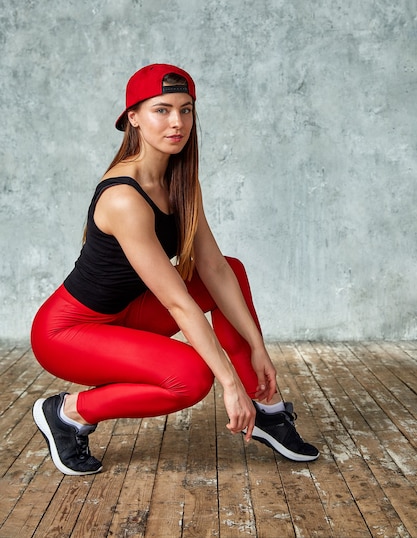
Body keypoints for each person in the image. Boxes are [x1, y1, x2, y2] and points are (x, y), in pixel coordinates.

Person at [31, 63, 319, 476]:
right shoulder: (123, 198)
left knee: (232, 271)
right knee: (191, 377)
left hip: (127, 314)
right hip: (68, 333)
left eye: (185, 110)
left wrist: (257, 349)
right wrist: (229, 383)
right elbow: (178, 303)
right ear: (133, 118)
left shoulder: (180, 179)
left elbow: (216, 270)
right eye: (162, 110)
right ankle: (68, 412)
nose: (177, 122)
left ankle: (268, 409)